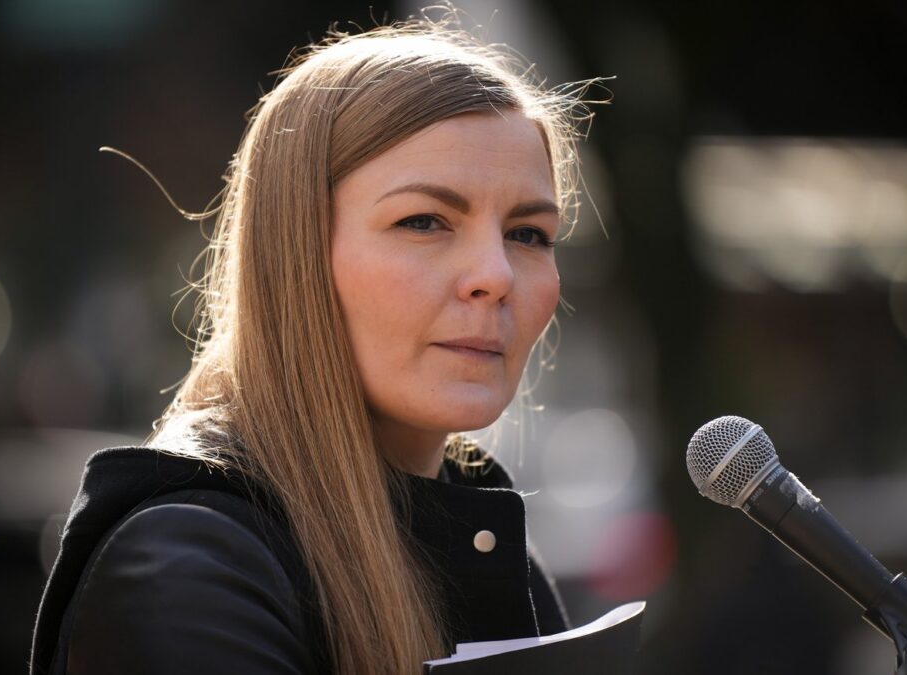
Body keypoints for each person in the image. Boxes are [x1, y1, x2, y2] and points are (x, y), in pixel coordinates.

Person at [30, 11, 597, 675]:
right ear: (295, 254)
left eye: (527, 233)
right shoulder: (190, 565)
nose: (495, 277)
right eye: (424, 221)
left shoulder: (494, 560)